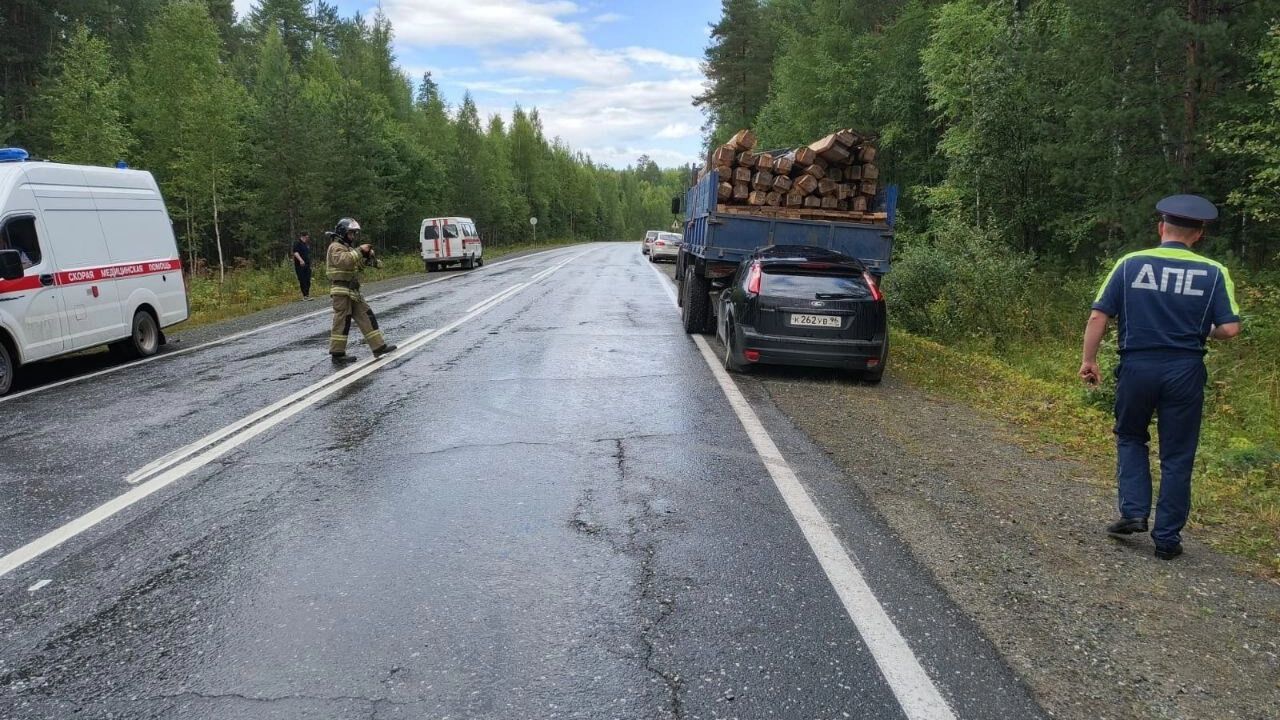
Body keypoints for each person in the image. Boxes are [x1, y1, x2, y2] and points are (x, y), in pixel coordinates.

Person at [1079, 194, 1242, 560]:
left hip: (1137, 366)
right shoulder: (1214, 272)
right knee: (1178, 454)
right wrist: (1204, 331)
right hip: (1185, 370)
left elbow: (1098, 317)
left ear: (1161, 228)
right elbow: (1230, 329)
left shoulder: (1130, 264)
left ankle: (1134, 511)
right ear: (1198, 234)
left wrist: (1089, 359)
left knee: (1131, 435)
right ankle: (1167, 539)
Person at [325, 217, 396, 363]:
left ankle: (378, 346)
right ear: (342, 232)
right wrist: (359, 250)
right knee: (342, 321)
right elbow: (345, 261)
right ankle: (337, 354)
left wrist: (371, 259)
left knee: (366, 315)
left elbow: (357, 263)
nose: (353, 236)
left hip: (352, 291)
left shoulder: (348, 249)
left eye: (354, 234)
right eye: (350, 233)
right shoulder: (335, 247)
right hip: (341, 290)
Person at [292, 232, 312, 299]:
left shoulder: (305, 244)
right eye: (307, 237)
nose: (307, 238)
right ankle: (305, 295)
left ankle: (307, 294)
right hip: (300, 265)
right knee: (302, 280)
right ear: (304, 236)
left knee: (308, 280)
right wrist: (300, 260)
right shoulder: (297, 243)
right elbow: (295, 253)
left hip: (307, 264)